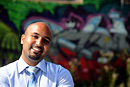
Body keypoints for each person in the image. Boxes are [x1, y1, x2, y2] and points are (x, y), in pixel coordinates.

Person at [0, 22, 74, 87]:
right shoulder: (4, 74)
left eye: (45, 40)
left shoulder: (60, 75)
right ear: (23, 39)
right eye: (35, 36)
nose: (39, 44)